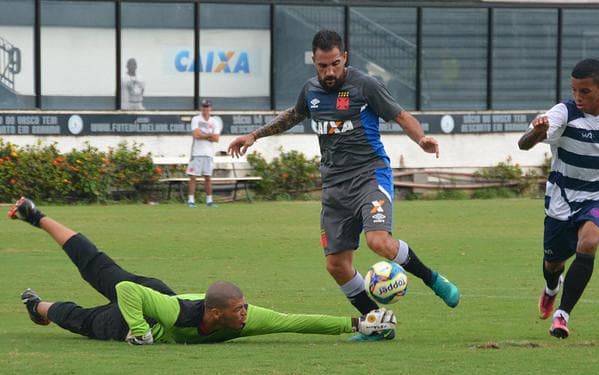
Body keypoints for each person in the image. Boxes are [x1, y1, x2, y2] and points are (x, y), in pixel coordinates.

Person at [228, 30, 460, 341]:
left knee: (379, 242)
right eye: (323, 66)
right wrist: (254, 136)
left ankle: (433, 279)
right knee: (336, 265)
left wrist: (422, 139)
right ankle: (378, 324)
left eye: (335, 64)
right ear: (314, 62)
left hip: (369, 175)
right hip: (334, 186)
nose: (329, 72)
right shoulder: (310, 90)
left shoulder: (366, 86)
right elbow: (293, 116)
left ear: (345, 58)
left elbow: (401, 115)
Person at [8, 197, 396, 344]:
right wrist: (140, 333)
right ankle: (37, 220)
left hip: (155, 296)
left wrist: (358, 324)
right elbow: (127, 291)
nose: (247, 312)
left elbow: (296, 321)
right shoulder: (182, 315)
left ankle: (38, 306)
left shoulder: (241, 320)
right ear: (215, 314)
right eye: (240, 309)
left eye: (244, 308)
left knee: (86, 296)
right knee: (91, 296)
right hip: (141, 314)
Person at [517, 58, 599, 339]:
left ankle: (562, 315)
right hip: (562, 201)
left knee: (589, 243)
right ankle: (551, 288)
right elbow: (523, 144)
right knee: (553, 264)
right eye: (574, 90)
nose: (578, 97)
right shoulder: (565, 112)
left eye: (585, 91)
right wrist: (536, 132)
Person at [187, 99, 221, 208]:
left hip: (208, 153)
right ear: (201, 108)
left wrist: (203, 135)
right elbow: (196, 135)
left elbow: (216, 138)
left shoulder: (214, 121)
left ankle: (209, 201)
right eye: (204, 107)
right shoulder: (196, 119)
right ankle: (191, 201)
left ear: (210, 108)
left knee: (208, 177)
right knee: (193, 177)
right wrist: (208, 135)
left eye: (207, 107)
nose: (206, 109)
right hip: (196, 153)